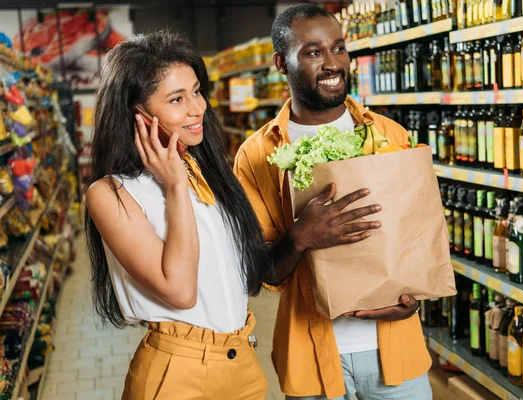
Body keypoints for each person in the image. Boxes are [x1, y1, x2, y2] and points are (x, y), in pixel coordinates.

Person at [234, 5, 433, 400]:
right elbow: (263, 272)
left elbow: (419, 238)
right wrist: (300, 236)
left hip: (395, 348)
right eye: (313, 52)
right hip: (309, 353)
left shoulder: (389, 135)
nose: (333, 64)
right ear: (280, 63)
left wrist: (413, 302)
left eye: (338, 48)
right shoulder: (256, 155)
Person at [85, 31, 274, 400]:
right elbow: (181, 291)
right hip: (177, 375)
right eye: (176, 98)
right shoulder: (110, 194)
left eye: (196, 91)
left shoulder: (206, 170)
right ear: (137, 114)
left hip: (243, 361)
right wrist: (173, 186)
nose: (197, 107)